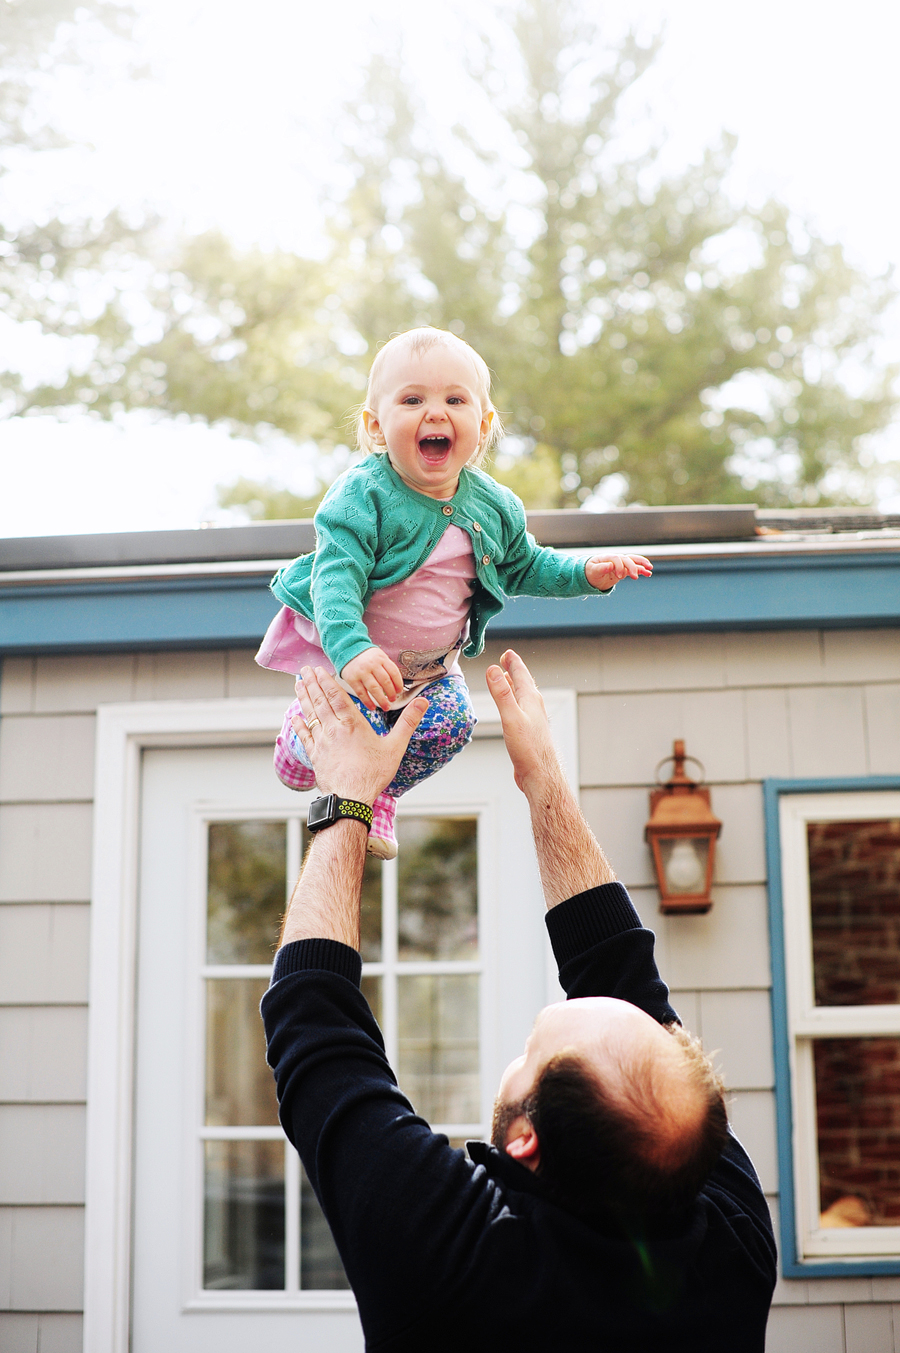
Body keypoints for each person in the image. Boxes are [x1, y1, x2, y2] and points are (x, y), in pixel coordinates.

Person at [261, 653, 777, 1352]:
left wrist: (349, 795)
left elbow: (314, 1023)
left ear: (526, 1138)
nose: (634, 1004)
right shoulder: (726, 1242)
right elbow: (622, 975)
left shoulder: (459, 1262)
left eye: (530, 1050)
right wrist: (543, 782)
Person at [255, 326, 651, 858]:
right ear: (376, 426)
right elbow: (336, 578)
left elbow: (525, 564)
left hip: (429, 670)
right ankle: (305, 737)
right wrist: (351, 650)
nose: (435, 413)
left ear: (483, 426)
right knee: (309, 761)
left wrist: (587, 573)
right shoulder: (362, 495)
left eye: (455, 399)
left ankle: (386, 793)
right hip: (357, 658)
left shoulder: (494, 505)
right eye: (413, 399)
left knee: (455, 723)